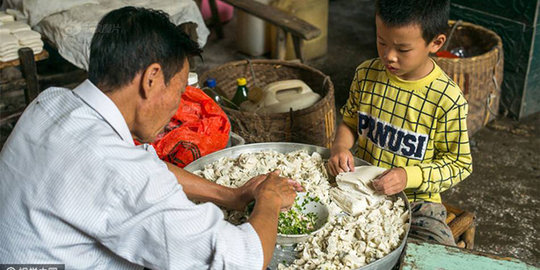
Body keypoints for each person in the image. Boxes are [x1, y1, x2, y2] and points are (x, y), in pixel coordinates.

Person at [0, 7, 301, 269]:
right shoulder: (121, 173)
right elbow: (243, 259)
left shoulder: (50, 102)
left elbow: (143, 164)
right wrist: (270, 199)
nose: (178, 104)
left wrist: (231, 196)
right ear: (152, 78)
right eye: (180, 90)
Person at [328, 0, 472, 246]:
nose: (388, 56)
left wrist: (408, 176)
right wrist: (340, 147)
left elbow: (459, 164)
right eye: (381, 41)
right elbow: (350, 123)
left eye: (403, 49)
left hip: (417, 202)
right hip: (360, 186)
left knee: (436, 251)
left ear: (436, 43)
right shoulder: (366, 75)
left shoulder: (446, 100)